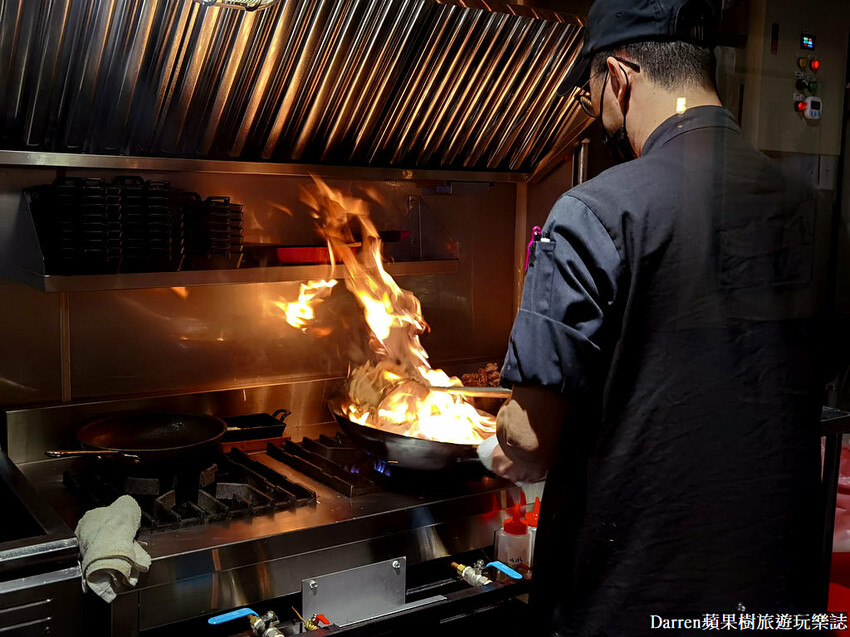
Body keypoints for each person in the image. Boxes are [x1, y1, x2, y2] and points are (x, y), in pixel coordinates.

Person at [488, 0, 830, 634]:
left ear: (618, 78)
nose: (597, 116)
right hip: (779, 595)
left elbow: (532, 439)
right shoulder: (811, 209)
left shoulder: (595, 211)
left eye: (593, 96)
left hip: (633, 599)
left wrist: (498, 442)